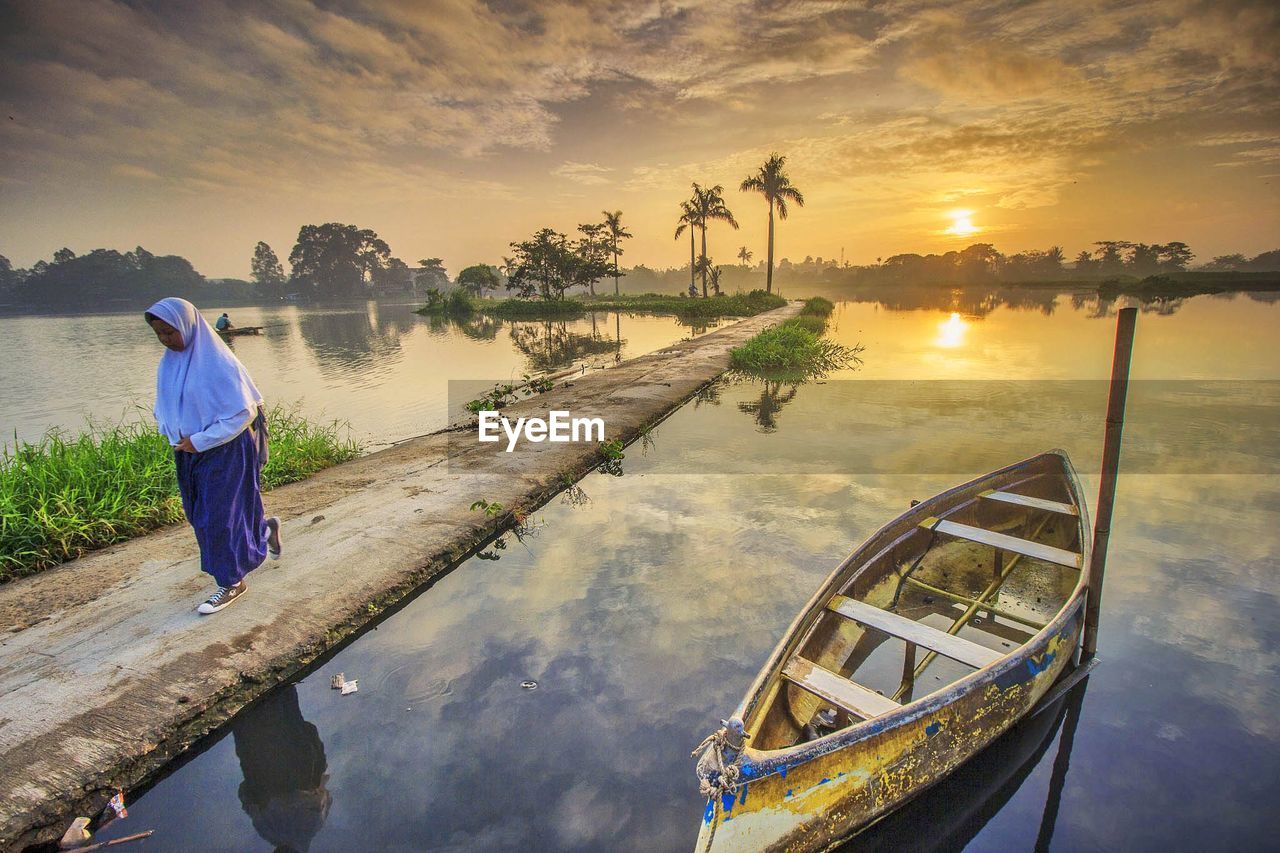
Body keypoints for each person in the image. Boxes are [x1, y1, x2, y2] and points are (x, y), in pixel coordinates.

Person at [144, 298, 282, 614]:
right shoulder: (169, 364)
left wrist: (202, 440)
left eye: (170, 332)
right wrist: (174, 434)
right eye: (160, 334)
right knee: (198, 514)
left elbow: (243, 412)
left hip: (226, 450)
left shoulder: (218, 364)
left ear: (188, 326)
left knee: (218, 518)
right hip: (188, 452)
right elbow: (163, 406)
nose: (166, 340)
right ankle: (263, 530)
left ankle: (232, 582)